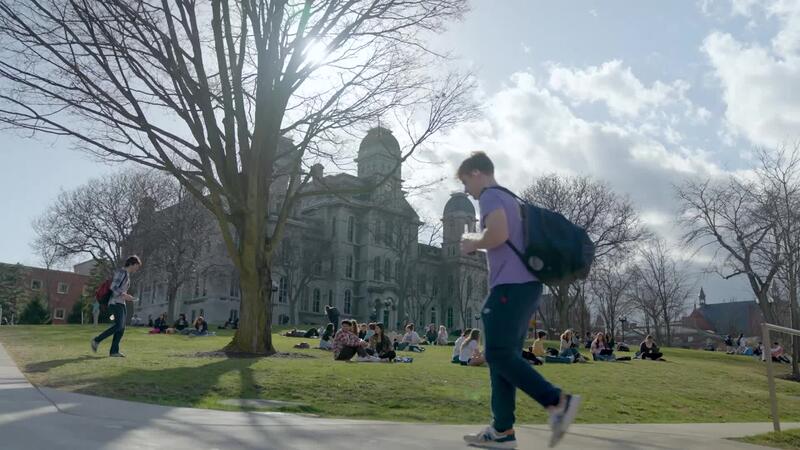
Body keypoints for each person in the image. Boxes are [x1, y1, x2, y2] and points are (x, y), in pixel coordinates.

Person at [457, 152, 580, 448]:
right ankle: (502, 431)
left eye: (465, 182)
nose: (466, 191)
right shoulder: (510, 200)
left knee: (497, 355)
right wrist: (482, 243)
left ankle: (557, 401)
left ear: (476, 173)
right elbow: (504, 239)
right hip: (527, 287)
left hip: (509, 289)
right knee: (503, 358)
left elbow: (497, 234)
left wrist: (472, 242)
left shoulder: (489, 196)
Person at [90, 255, 142, 357]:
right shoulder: (122, 272)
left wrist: (128, 297)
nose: (137, 268)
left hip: (121, 303)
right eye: (137, 265)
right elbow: (113, 286)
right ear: (132, 264)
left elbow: (120, 289)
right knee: (118, 325)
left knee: (121, 328)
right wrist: (124, 295)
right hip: (115, 302)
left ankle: (114, 351)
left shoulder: (126, 274)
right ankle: (96, 340)